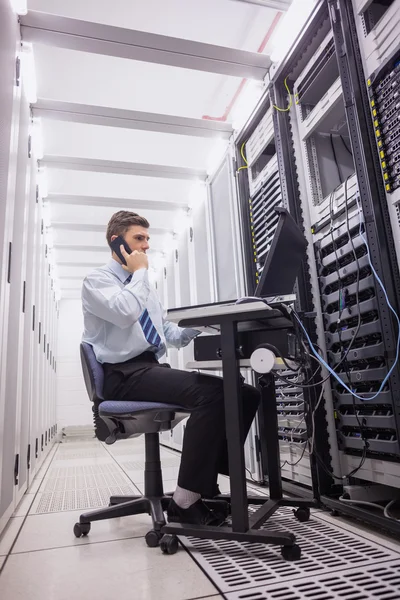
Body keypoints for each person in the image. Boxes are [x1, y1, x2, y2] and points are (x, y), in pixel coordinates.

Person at [81, 210, 260, 526]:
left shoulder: (144, 286)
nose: (146, 246)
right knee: (214, 395)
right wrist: (139, 274)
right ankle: (185, 501)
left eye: (148, 239)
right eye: (139, 238)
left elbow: (171, 335)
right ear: (116, 241)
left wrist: (207, 321)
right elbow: (124, 313)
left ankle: (205, 488)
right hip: (122, 376)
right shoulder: (97, 281)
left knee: (244, 394)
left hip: (149, 369)